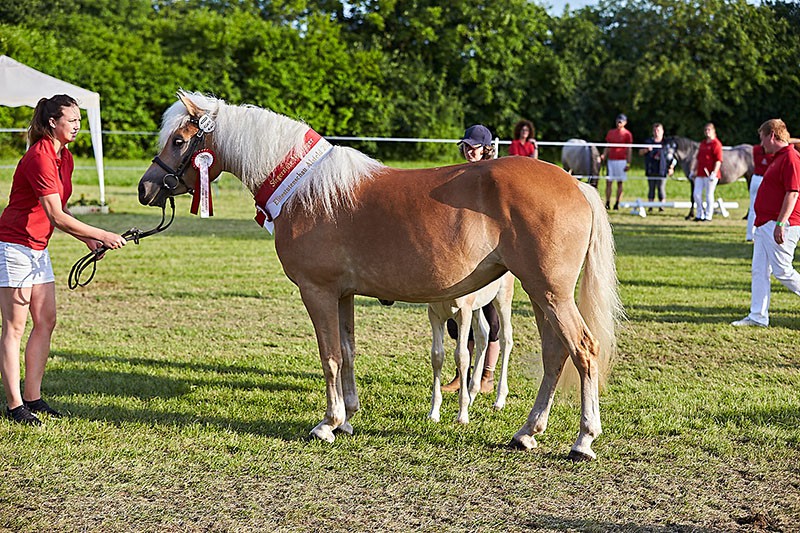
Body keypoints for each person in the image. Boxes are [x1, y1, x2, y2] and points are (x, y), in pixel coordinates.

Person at [0, 95, 127, 425]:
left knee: (47, 320)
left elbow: (61, 208)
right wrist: (102, 232)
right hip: (14, 246)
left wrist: (87, 238)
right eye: (72, 120)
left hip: (38, 248)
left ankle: (34, 398)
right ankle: (14, 406)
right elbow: (55, 215)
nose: (77, 126)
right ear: (53, 122)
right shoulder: (40, 156)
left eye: (80, 121)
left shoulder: (64, 157)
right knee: (14, 328)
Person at [441, 124, 500, 394]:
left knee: (491, 318)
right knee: (458, 316)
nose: (468, 150)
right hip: (462, 249)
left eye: (473, 146)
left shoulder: (495, 173)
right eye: (465, 145)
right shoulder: (460, 172)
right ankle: (461, 374)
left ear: (486, 148)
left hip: (491, 250)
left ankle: (487, 375)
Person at [731, 119, 800, 327]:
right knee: (759, 270)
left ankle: (758, 316)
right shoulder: (779, 157)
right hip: (764, 224)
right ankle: (758, 316)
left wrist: (781, 223)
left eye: (762, 138)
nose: (761, 144)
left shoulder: (790, 157)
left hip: (780, 224)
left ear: (771, 135)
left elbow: (793, 192)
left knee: (783, 271)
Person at [691, 123, 723, 222]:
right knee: (696, 194)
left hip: (711, 174)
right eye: (706, 130)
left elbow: (718, 160)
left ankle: (708, 215)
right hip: (700, 173)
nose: (707, 132)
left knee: (709, 194)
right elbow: (698, 159)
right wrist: (694, 170)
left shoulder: (716, 144)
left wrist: (714, 172)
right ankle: (700, 214)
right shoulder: (703, 143)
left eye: (709, 130)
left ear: (713, 131)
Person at [600, 114, 633, 210]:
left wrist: (628, 163)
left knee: (619, 182)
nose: (619, 122)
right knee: (608, 182)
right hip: (611, 160)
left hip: (621, 160)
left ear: (625, 122)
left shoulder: (627, 134)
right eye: (618, 120)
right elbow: (608, 146)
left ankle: (617, 203)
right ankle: (608, 202)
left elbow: (629, 149)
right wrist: (604, 155)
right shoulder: (611, 133)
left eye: (621, 121)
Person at [639, 123, 674, 211]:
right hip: (651, 168)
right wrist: (646, 150)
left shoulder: (666, 143)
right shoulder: (648, 142)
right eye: (655, 130)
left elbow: (673, 156)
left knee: (661, 188)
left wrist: (671, 167)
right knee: (651, 188)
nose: (656, 132)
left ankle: (661, 206)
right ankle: (650, 206)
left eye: (658, 130)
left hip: (662, 169)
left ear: (662, 131)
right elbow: (640, 152)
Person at [746, 143, 775, 241]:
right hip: (766, 179)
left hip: (755, 178)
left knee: (753, 209)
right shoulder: (773, 152)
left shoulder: (755, 149)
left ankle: (750, 235)